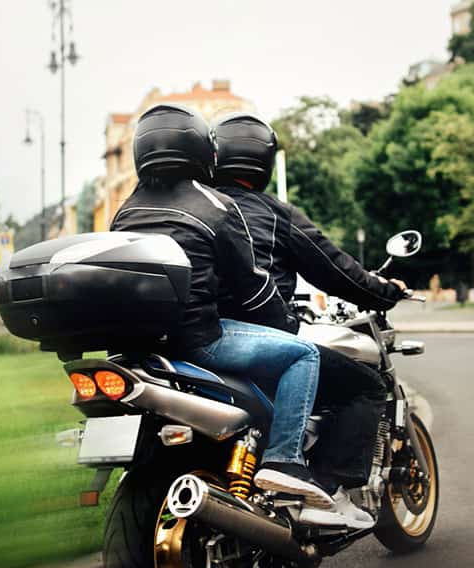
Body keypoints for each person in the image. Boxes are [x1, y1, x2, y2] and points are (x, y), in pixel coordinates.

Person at [110, 104, 332, 508]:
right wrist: (285, 322)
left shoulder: (126, 212)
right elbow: (252, 289)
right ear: (203, 151)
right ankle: (284, 462)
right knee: (303, 357)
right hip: (198, 341)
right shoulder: (214, 206)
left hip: (142, 345)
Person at [210, 113, 408, 529]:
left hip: (197, 337)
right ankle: (331, 491)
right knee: (363, 386)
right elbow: (336, 270)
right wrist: (385, 290)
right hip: (259, 337)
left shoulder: (199, 208)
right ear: (264, 163)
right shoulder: (274, 214)